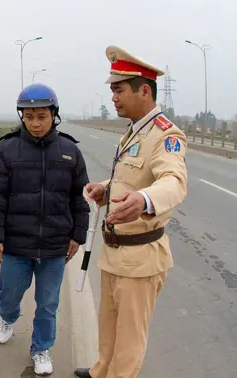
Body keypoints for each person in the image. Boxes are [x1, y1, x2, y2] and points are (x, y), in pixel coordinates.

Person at [74, 46, 188, 378]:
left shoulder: (166, 135)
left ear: (145, 90)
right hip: (115, 252)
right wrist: (106, 190)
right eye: (112, 90)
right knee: (108, 325)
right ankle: (101, 371)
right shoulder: (134, 130)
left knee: (129, 340)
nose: (113, 98)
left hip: (140, 257)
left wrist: (144, 200)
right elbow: (129, 177)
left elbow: (173, 181)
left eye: (118, 90)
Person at [0, 84, 90, 376]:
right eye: (28, 117)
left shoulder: (69, 151)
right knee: (9, 295)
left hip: (55, 245)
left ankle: (41, 348)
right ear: (22, 117)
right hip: (16, 244)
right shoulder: (6, 150)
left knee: (48, 304)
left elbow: (80, 197)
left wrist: (78, 235)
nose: (35, 123)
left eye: (41, 116)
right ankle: (7, 317)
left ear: (54, 114)